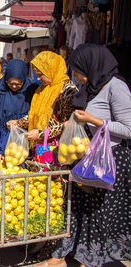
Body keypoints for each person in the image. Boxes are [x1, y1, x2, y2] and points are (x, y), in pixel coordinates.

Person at [36, 44, 131, 267]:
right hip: (85, 159)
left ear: (92, 65)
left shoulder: (116, 88)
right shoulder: (90, 87)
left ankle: (91, 259)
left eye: (78, 70)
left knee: (97, 215)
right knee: (75, 208)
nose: (75, 76)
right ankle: (66, 254)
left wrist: (93, 121)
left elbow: (128, 128)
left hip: (109, 161)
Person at [8, 51, 78, 148]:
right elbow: (36, 115)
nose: (38, 79)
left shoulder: (68, 91)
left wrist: (41, 134)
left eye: (41, 74)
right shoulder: (42, 89)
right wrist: (18, 122)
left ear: (52, 70)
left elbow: (70, 124)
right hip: (40, 148)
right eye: (36, 75)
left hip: (58, 149)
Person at [0, 59, 38, 163]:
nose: (14, 86)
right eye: (10, 83)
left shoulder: (32, 90)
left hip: (25, 143)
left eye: (18, 83)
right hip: (3, 141)